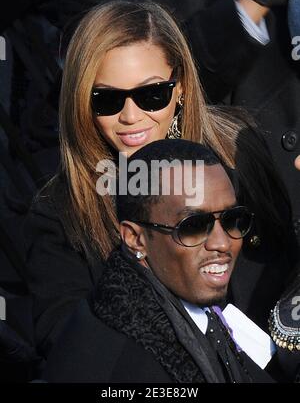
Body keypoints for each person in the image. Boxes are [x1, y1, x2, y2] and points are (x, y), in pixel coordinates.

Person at [24, 0, 297, 359]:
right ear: (81, 101)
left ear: (180, 86)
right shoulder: (61, 211)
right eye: (107, 99)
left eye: (152, 94)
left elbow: (287, 262)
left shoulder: (239, 147)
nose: (130, 116)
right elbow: (66, 343)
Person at [42, 139, 274, 383]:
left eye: (232, 219)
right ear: (134, 238)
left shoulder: (179, 304)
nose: (223, 243)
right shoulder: (121, 363)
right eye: (193, 226)